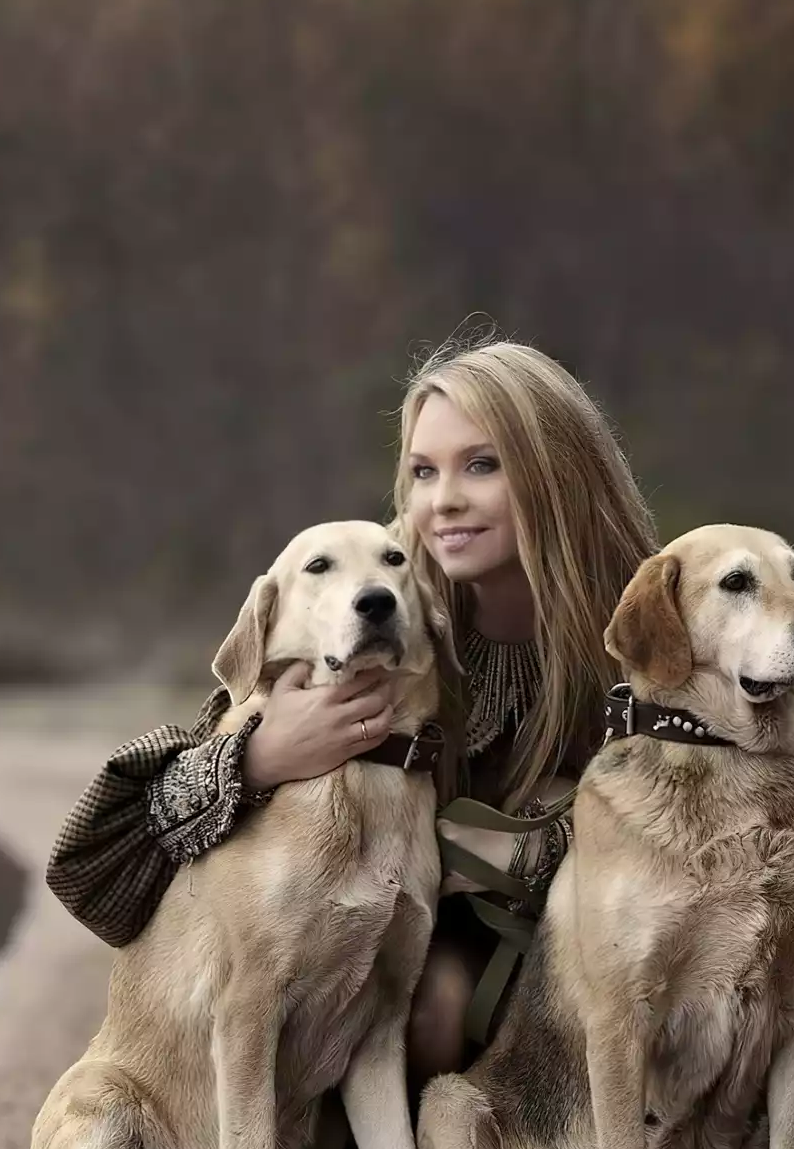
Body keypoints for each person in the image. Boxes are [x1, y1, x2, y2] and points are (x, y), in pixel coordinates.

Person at [46, 337, 658, 1077]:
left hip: (596, 944)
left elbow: (704, 829)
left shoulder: (648, 624)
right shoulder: (375, 598)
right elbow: (113, 863)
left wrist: (539, 846)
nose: (445, 500)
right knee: (435, 1001)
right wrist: (262, 756)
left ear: (557, 470)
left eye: (482, 465)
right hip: (384, 954)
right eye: (423, 472)